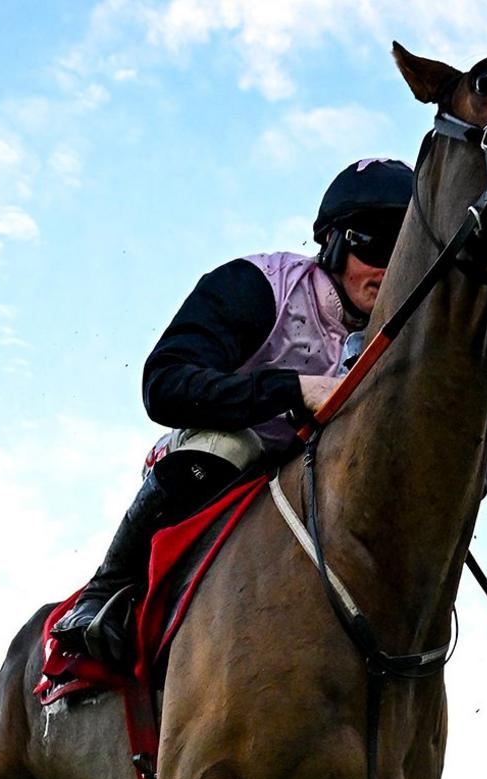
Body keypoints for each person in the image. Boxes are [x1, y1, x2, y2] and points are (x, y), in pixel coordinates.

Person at [53, 157, 416, 662]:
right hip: (212, 466)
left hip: (313, 477)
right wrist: (293, 389)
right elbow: (164, 384)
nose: (388, 268)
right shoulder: (258, 284)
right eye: (377, 244)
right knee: (228, 444)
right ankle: (105, 593)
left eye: (404, 251)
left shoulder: (401, 334)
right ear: (333, 241)